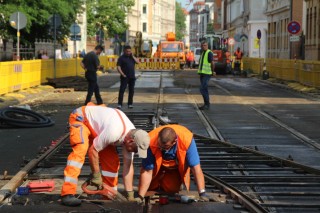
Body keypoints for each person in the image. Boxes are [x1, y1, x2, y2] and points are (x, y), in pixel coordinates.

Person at [61, 103, 150, 206]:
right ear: (130, 141)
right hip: (82, 119)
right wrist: (96, 175)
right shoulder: (114, 132)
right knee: (80, 150)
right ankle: (67, 193)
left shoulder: (134, 137)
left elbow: (128, 166)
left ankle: (108, 195)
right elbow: (92, 151)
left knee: (112, 160)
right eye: (135, 150)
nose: (135, 152)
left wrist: (130, 195)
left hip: (100, 129)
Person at [137, 125, 211, 202]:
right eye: (159, 145)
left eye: (165, 146)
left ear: (174, 141)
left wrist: (202, 193)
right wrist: (140, 196)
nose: (161, 148)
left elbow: (196, 168)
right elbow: (147, 171)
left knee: (171, 190)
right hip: (156, 164)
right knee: (149, 188)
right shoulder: (150, 140)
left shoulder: (187, 139)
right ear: (158, 136)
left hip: (175, 167)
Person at [116, 45, 139, 109]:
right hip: (124, 77)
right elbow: (118, 67)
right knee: (122, 90)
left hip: (132, 77)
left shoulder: (132, 57)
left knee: (131, 90)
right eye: (127, 51)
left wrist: (132, 56)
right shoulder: (121, 58)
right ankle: (119, 103)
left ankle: (130, 103)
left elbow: (138, 62)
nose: (128, 52)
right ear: (124, 51)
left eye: (129, 51)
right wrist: (122, 74)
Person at [197, 41, 215, 110]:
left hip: (207, 74)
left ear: (207, 46)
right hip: (202, 73)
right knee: (205, 89)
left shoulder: (209, 53)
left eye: (205, 45)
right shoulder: (202, 53)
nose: (204, 46)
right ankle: (206, 104)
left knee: (202, 89)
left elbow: (212, 63)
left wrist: (213, 72)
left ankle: (207, 104)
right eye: (203, 45)